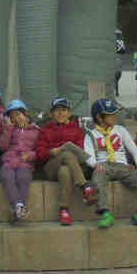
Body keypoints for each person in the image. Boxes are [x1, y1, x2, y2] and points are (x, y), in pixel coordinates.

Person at [83, 98, 137, 228]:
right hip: (104, 165)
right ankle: (105, 213)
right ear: (99, 117)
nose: (114, 116)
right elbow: (88, 154)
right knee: (97, 177)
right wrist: (96, 165)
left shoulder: (120, 130)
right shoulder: (91, 134)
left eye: (114, 113)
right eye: (110, 114)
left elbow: (134, 149)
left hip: (123, 166)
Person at [36, 96, 96, 225]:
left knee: (65, 170)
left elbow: (80, 150)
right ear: (51, 114)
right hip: (51, 167)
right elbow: (40, 154)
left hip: (72, 167)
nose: (60, 113)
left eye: (63, 110)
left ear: (69, 113)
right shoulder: (45, 131)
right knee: (67, 153)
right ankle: (84, 186)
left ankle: (64, 211)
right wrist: (52, 152)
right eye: (56, 110)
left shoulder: (77, 130)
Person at [0, 99, 40, 223]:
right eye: (12, 117)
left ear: (26, 114)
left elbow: (39, 150)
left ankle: (18, 209)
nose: (16, 119)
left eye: (18, 115)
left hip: (25, 164)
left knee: (23, 178)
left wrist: (30, 155)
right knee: (6, 177)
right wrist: (9, 128)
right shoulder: (10, 129)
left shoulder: (36, 130)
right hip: (9, 162)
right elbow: (3, 146)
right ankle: (19, 205)